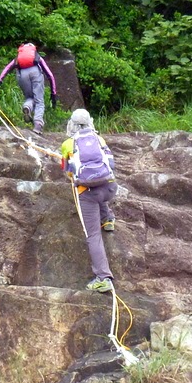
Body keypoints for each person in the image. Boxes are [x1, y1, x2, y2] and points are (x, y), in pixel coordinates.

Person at [59, 108, 118, 293]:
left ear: (72, 124)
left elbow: (67, 171)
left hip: (89, 194)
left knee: (93, 235)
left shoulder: (68, 144)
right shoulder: (99, 139)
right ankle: (108, 219)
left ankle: (103, 278)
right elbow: (111, 164)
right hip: (110, 188)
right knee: (99, 186)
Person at [0, 43, 58, 135]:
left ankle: (27, 107)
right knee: (39, 101)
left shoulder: (18, 58)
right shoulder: (37, 57)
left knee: (29, 97)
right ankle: (38, 125)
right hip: (35, 73)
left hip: (21, 74)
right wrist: (53, 93)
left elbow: (7, 68)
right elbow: (50, 75)